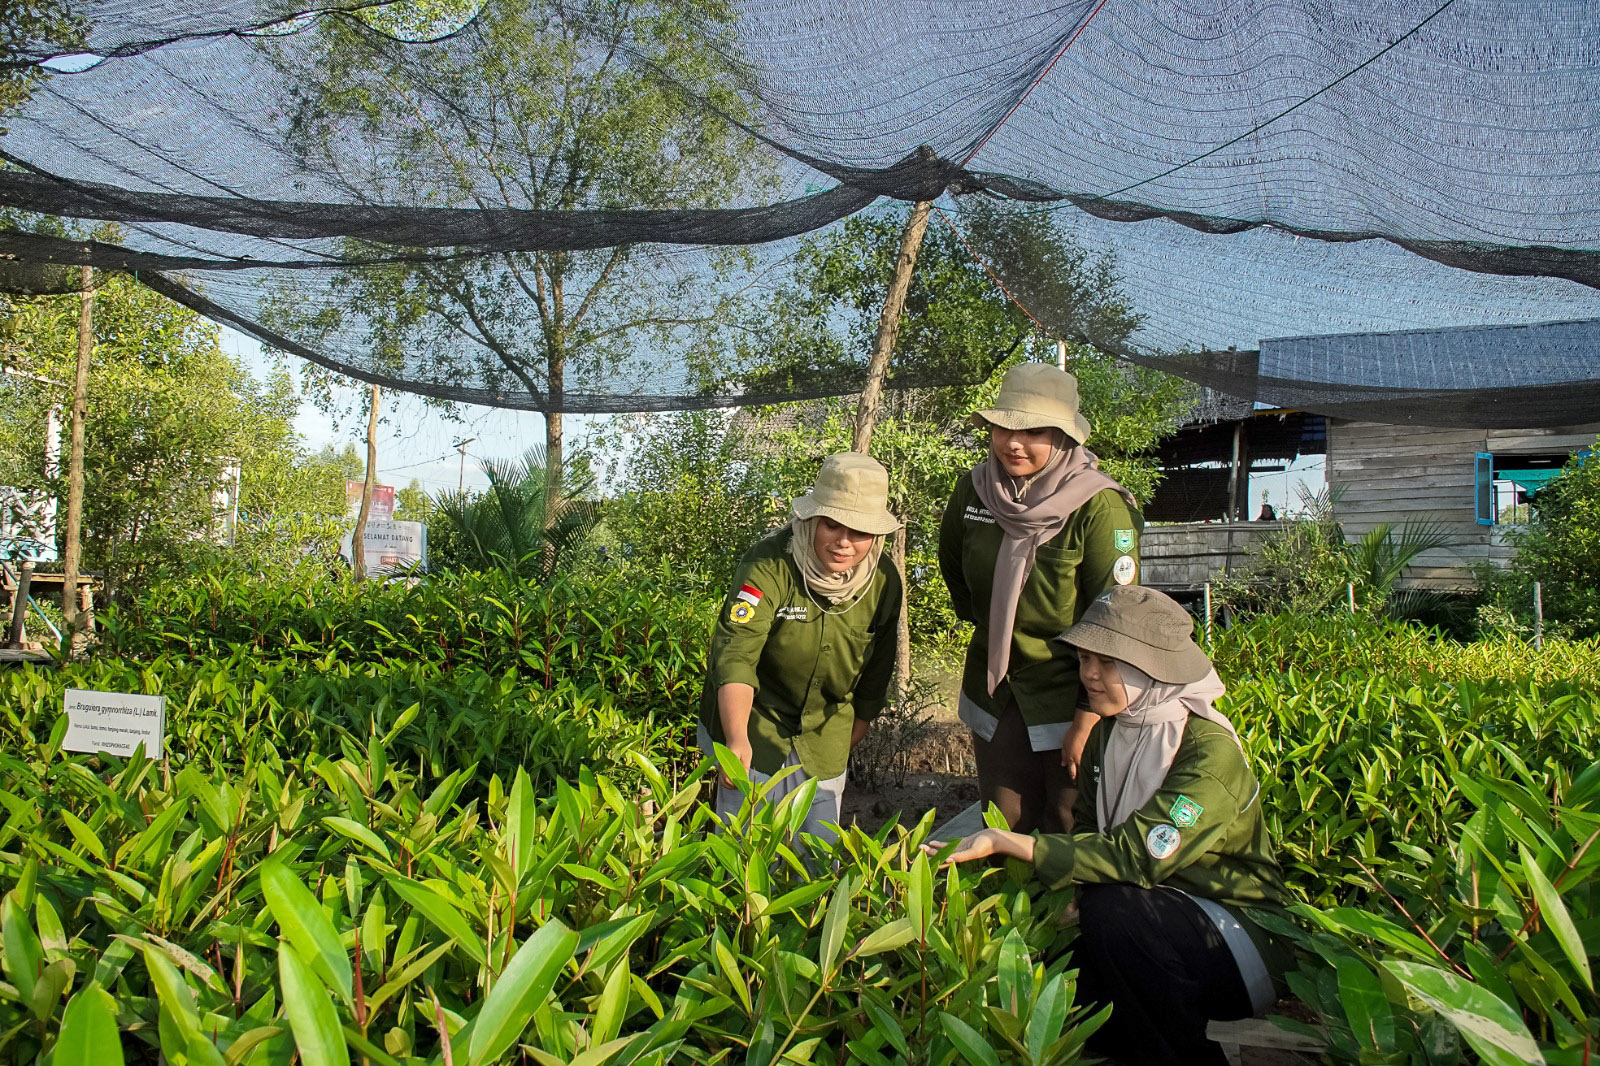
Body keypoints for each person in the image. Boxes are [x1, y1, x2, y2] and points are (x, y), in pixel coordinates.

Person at [928, 585, 1290, 1066]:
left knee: (1112, 913)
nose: (1089, 676)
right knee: (1070, 977)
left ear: (1152, 666)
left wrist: (1013, 842)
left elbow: (1138, 853)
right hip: (1156, 918)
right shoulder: (1112, 733)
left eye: (1107, 662)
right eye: (1083, 660)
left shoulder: (1207, 753)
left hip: (1236, 940)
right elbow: (1088, 832)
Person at [939, 362, 1143, 833]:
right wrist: (998, 634)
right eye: (1003, 427)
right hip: (998, 689)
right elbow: (956, 573)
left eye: (1034, 431)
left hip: (1071, 691)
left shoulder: (1099, 507)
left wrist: (1088, 717)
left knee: (1070, 821)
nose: (1013, 442)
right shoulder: (974, 491)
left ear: (1064, 437)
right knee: (1003, 820)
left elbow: (1117, 618)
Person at [699, 452, 903, 843]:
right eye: (832, 524)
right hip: (754, 721)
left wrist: (853, 731)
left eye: (859, 532)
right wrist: (737, 739)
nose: (844, 542)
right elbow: (736, 654)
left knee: (814, 856)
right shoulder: (770, 564)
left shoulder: (883, 581)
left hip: (826, 730)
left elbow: (878, 666)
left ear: (875, 536)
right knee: (745, 847)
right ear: (811, 519)